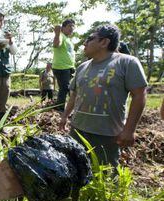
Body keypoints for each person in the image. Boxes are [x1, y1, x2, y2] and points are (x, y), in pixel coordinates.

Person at [59, 25, 147, 167]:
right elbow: (74, 94)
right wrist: (64, 116)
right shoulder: (82, 67)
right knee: (75, 168)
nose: (84, 43)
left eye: (90, 39)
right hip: (77, 130)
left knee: (105, 176)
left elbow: (139, 95)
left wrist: (129, 130)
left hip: (107, 135)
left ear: (104, 42)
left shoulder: (126, 62)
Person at [52, 19, 76, 112]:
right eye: (69, 26)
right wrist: (57, 33)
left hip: (69, 67)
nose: (72, 28)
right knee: (65, 88)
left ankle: (69, 107)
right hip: (61, 67)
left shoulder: (68, 39)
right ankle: (60, 108)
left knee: (70, 88)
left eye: (73, 26)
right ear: (63, 28)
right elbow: (56, 44)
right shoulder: (61, 36)